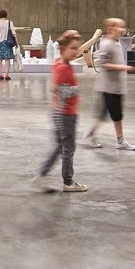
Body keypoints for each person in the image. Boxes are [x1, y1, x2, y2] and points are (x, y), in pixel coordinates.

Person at [33, 34, 87, 193]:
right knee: (68, 149)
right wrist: (76, 89)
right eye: (72, 48)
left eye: (77, 48)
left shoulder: (60, 62)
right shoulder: (63, 67)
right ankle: (68, 182)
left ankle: (41, 175)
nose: (76, 52)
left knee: (59, 147)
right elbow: (56, 89)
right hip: (65, 114)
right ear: (63, 49)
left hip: (59, 111)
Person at [83, 18, 135, 151]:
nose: (122, 30)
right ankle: (115, 140)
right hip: (108, 88)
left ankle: (93, 136)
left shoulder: (116, 43)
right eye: (120, 27)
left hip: (115, 88)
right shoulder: (107, 44)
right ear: (112, 28)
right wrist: (123, 67)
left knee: (113, 116)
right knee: (110, 116)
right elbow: (103, 64)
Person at [0, 9, 18, 80]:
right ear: (6, 16)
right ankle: (7, 75)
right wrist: (17, 43)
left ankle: (0, 74)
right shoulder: (10, 22)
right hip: (8, 43)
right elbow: (14, 34)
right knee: (7, 59)